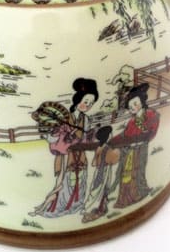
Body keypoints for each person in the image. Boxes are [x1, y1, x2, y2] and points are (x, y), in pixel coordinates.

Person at [30, 78, 99, 218]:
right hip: (66, 157)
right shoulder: (66, 118)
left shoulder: (86, 119)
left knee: (80, 180)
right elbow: (56, 138)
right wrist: (52, 135)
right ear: (78, 99)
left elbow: (85, 137)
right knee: (63, 183)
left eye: (91, 103)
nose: (88, 105)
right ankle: (53, 207)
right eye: (86, 101)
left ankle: (75, 205)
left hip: (80, 155)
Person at [110, 83, 160, 208]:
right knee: (126, 174)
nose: (133, 107)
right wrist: (112, 141)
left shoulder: (151, 114)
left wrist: (143, 138)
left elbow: (152, 132)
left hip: (140, 149)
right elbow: (125, 135)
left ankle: (139, 193)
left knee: (138, 172)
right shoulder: (132, 122)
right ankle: (126, 199)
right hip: (130, 151)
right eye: (130, 106)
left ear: (142, 101)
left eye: (135, 103)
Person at [82, 126, 120, 223]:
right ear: (108, 136)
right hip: (104, 171)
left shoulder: (98, 148)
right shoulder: (107, 148)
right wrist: (117, 153)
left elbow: (93, 163)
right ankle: (97, 209)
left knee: (96, 188)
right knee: (102, 189)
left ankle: (96, 207)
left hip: (98, 171)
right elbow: (112, 160)